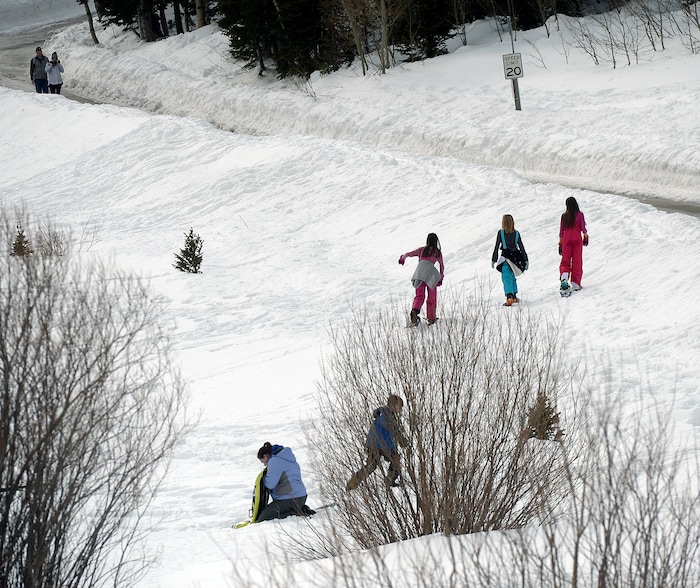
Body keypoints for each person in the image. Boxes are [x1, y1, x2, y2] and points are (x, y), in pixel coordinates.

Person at [346, 394, 408, 490]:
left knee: (373, 465)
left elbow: (392, 430)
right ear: (393, 405)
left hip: (379, 444)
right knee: (387, 461)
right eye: (399, 406)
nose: (400, 409)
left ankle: (354, 482)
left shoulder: (390, 415)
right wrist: (400, 437)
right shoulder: (386, 413)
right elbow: (390, 427)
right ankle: (388, 480)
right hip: (378, 444)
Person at [255, 442, 313, 522]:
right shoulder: (288, 458)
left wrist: (263, 479)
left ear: (266, 456)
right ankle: (300, 508)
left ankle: (295, 512)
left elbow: (270, 484)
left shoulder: (274, 461)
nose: (265, 465)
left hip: (289, 500)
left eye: (263, 461)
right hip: (301, 497)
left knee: (263, 518)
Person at [399, 233, 444, 325]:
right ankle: (431, 318)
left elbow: (409, 254)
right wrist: (440, 277)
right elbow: (441, 266)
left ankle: (415, 311)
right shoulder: (437, 252)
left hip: (419, 274)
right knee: (431, 297)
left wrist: (403, 258)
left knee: (419, 296)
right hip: (430, 275)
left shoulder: (422, 250)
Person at [491, 214, 529, 306]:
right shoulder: (516, 233)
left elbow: (496, 247)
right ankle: (514, 295)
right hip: (515, 259)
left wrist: (494, 259)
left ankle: (509, 296)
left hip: (505, 257)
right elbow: (521, 247)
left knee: (506, 276)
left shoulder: (501, 233)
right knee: (512, 276)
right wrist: (526, 260)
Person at [558, 196, 589, 292]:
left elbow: (561, 231)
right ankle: (575, 283)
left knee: (565, 260)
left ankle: (564, 277)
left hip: (566, 240)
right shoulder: (580, 215)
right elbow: (583, 227)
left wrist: (560, 243)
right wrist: (586, 237)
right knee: (577, 261)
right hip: (577, 239)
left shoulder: (564, 216)